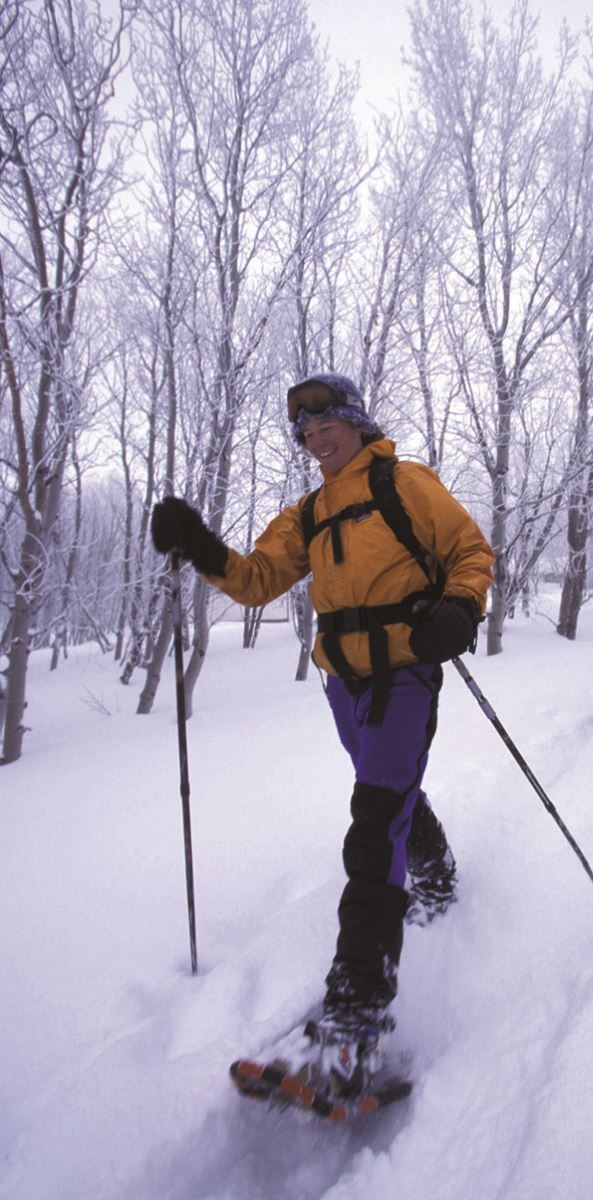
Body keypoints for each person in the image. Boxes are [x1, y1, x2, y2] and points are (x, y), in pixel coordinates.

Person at [151, 372, 494, 1096]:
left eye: (324, 423)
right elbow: (252, 581)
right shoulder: (305, 512)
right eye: (302, 431)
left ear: (356, 421)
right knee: (387, 794)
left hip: (405, 667)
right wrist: (200, 544)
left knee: (373, 822)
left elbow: (468, 550)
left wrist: (460, 608)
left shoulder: (405, 482)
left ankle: (356, 1013)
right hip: (344, 682)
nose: (313, 437)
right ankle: (432, 870)